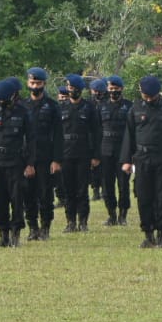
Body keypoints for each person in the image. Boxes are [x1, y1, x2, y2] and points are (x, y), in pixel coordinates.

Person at [121, 75, 162, 248]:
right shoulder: (135, 108)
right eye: (145, 95)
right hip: (142, 159)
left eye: (151, 96)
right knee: (143, 197)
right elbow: (129, 135)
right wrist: (126, 160)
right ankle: (148, 234)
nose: (148, 99)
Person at [0, 78, 31, 248]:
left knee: (17, 198)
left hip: (16, 161)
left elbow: (31, 140)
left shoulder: (22, 113)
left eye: (4, 99)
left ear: (13, 96)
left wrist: (30, 163)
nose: (1, 102)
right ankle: (3, 234)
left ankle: (16, 232)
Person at [54, 74, 101, 232]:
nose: (71, 90)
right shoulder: (61, 107)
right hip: (66, 153)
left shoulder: (89, 108)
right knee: (68, 189)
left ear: (80, 90)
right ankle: (70, 221)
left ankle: (83, 221)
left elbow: (96, 132)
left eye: (73, 88)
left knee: (82, 190)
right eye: (69, 88)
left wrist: (95, 155)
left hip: (83, 152)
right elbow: (55, 134)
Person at [21, 67, 62, 240]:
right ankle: (32, 228)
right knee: (28, 195)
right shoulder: (21, 106)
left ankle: (45, 227)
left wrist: (57, 159)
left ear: (44, 84)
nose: (35, 86)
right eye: (32, 83)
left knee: (45, 194)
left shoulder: (52, 106)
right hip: (26, 157)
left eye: (38, 83)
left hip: (46, 157)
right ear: (27, 83)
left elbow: (59, 134)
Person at [97, 75, 132, 226]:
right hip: (105, 150)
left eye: (116, 89)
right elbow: (97, 130)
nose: (113, 92)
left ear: (121, 89)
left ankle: (123, 215)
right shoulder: (102, 106)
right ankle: (111, 214)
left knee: (123, 184)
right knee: (107, 185)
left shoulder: (129, 106)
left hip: (122, 150)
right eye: (110, 89)